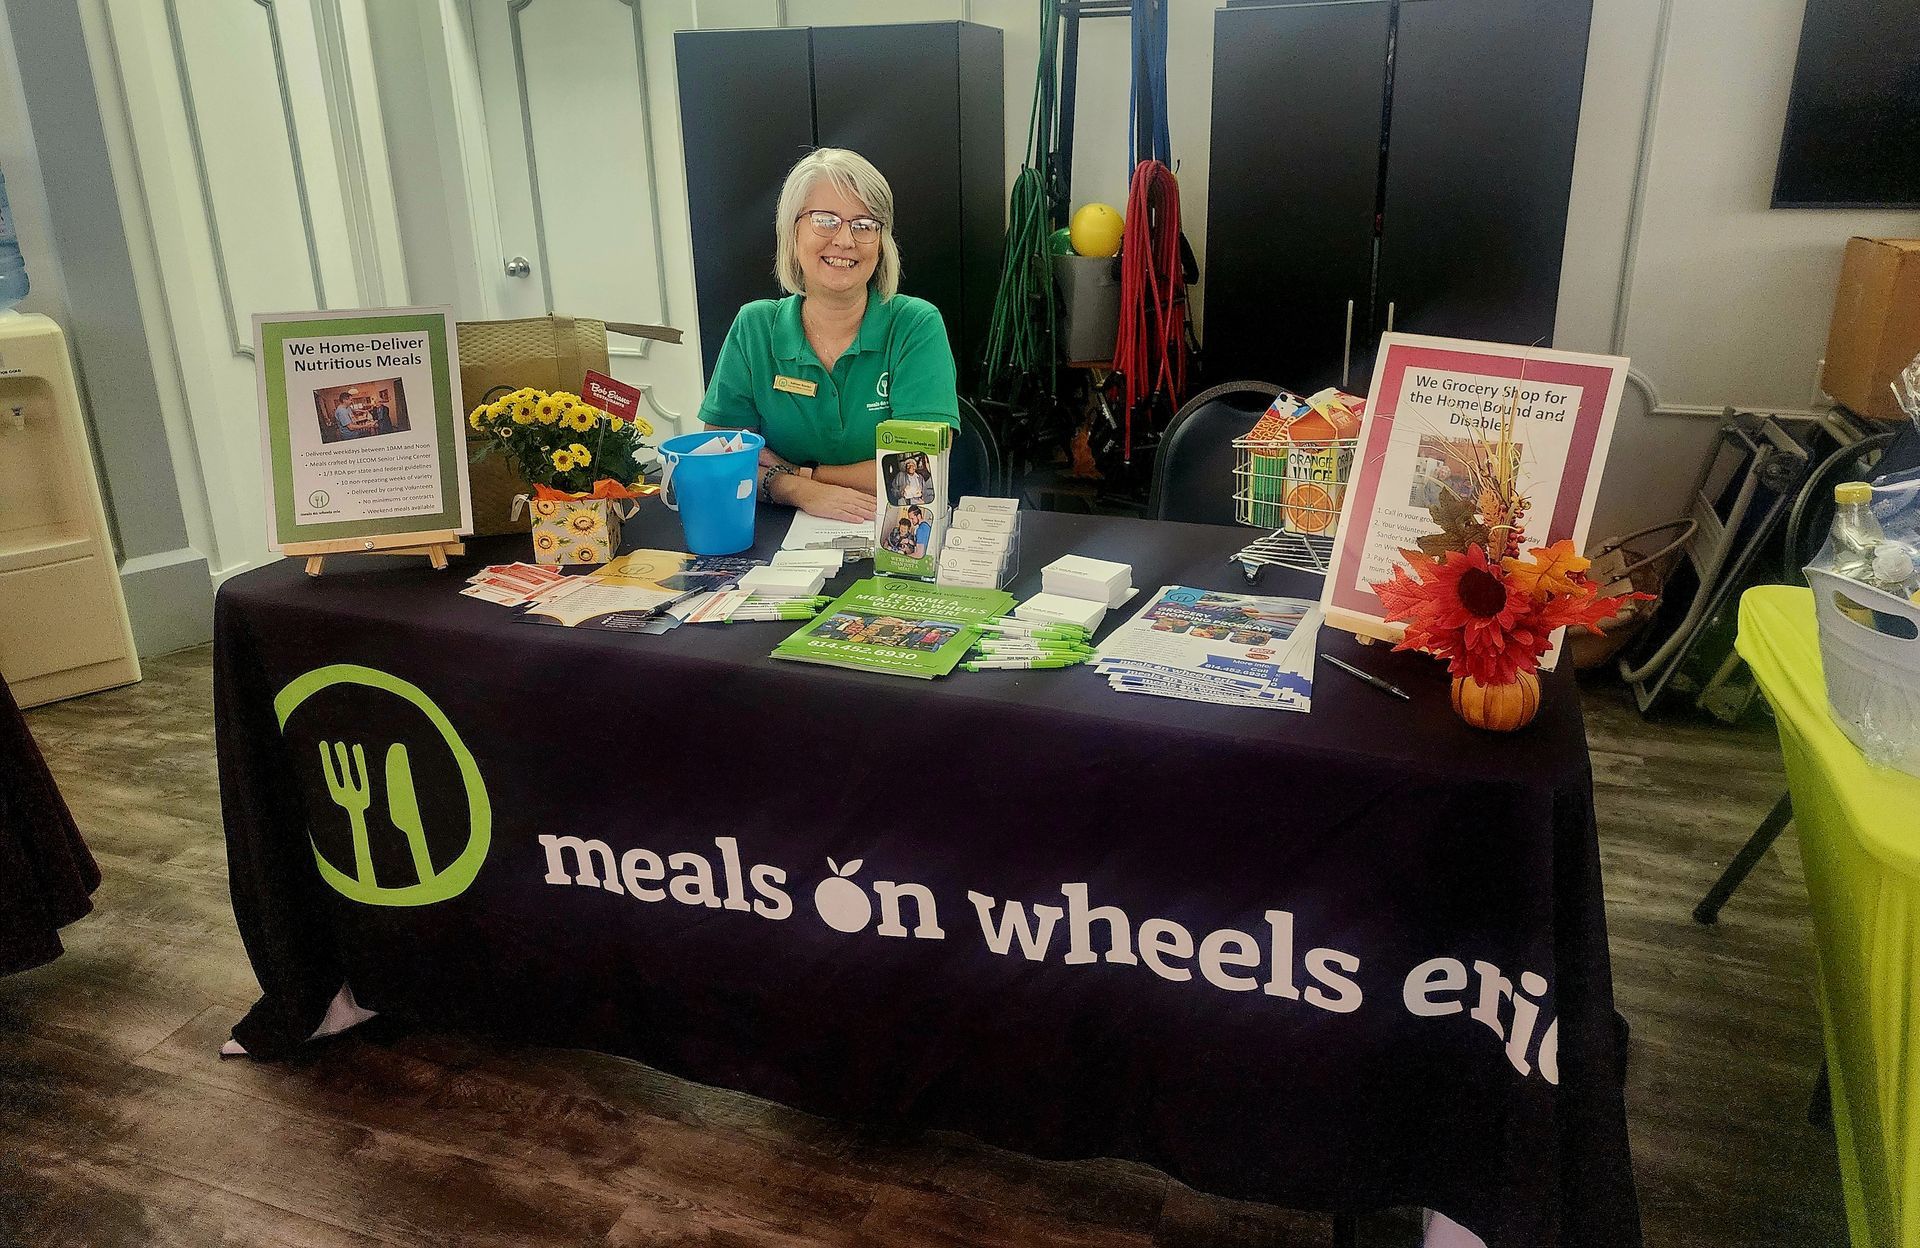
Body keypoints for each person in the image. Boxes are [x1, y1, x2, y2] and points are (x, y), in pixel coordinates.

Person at [698, 148, 960, 522]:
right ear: (793, 231)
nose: (845, 240)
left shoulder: (915, 325)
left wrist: (803, 473)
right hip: (774, 537)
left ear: (881, 242)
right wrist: (796, 490)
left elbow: (918, 471)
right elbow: (722, 458)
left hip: (895, 533)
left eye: (864, 224)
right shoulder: (754, 327)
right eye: (825, 220)